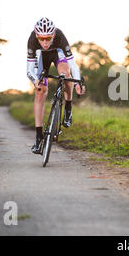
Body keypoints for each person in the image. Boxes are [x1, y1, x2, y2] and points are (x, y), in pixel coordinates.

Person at [26, 17, 85, 154]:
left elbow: (73, 64)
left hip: (58, 55)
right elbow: (29, 70)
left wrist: (77, 82)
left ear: (53, 35)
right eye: (41, 38)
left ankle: (68, 107)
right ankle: (38, 137)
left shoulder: (60, 36)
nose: (45, 42)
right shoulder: (32, 40)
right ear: (36, 36)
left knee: (65, 76)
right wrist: (36, 81)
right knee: (40, 92)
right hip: (41, 58)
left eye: (48, 38)